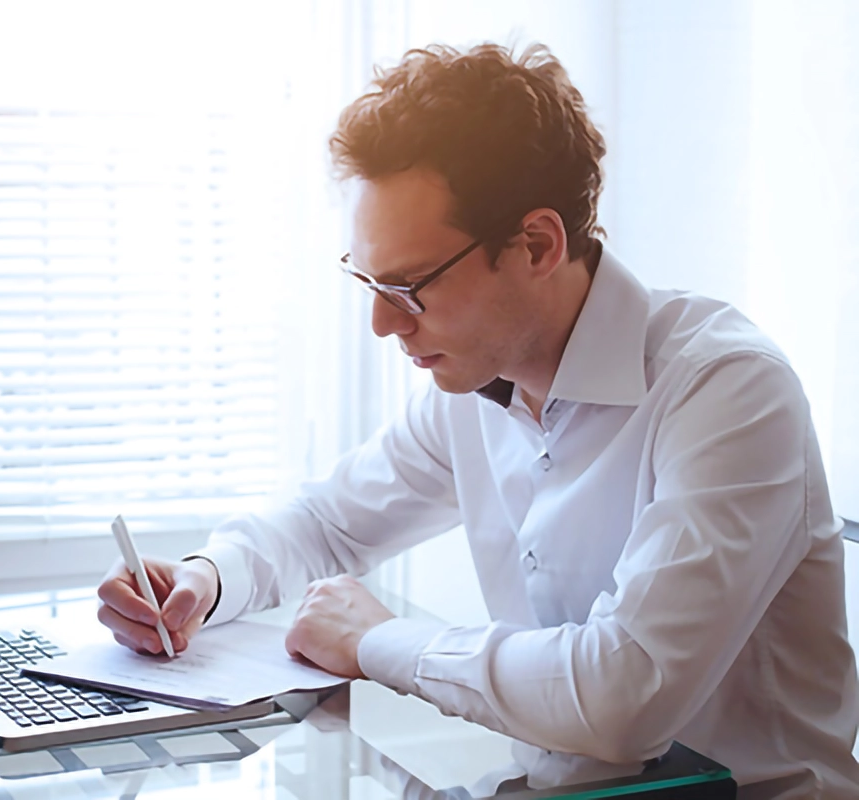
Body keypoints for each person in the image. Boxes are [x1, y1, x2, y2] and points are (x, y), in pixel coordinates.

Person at [96, 42, 859, 797]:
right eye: (369, 282)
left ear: (537, 244)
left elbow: (625, 696)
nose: (383, 324)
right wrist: (205, 580)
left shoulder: (728, 389)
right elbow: (326, 525)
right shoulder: (474, 391)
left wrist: (375, 641)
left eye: (409, 286)